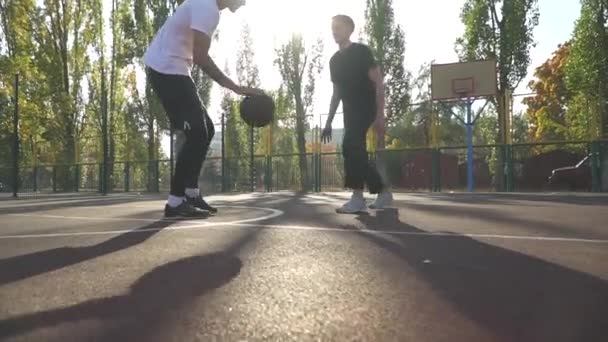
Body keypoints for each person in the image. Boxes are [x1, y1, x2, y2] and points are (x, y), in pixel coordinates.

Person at [144, 0, 265, 218]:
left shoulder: (205, 6)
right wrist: (236, 88)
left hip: (176, 69)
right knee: (197, 133)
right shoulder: (207, 8)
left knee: (206, 130)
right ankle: (175, 202)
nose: (245, 2)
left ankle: (191, 193)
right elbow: (200, 57)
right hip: (166, 69)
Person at [322, 14, 393, 214]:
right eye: (332, 27)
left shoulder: (362, 52)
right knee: (352, 151)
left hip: (366, 107)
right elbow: (336, 93)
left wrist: (380, 114)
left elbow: (379, 82)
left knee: (350, 145)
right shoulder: (334, 61)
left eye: (339, 27)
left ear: (350, 30)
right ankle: (379, 191)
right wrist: (328, 122)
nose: (334, 30)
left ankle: (358, 196)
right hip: (350, 112)